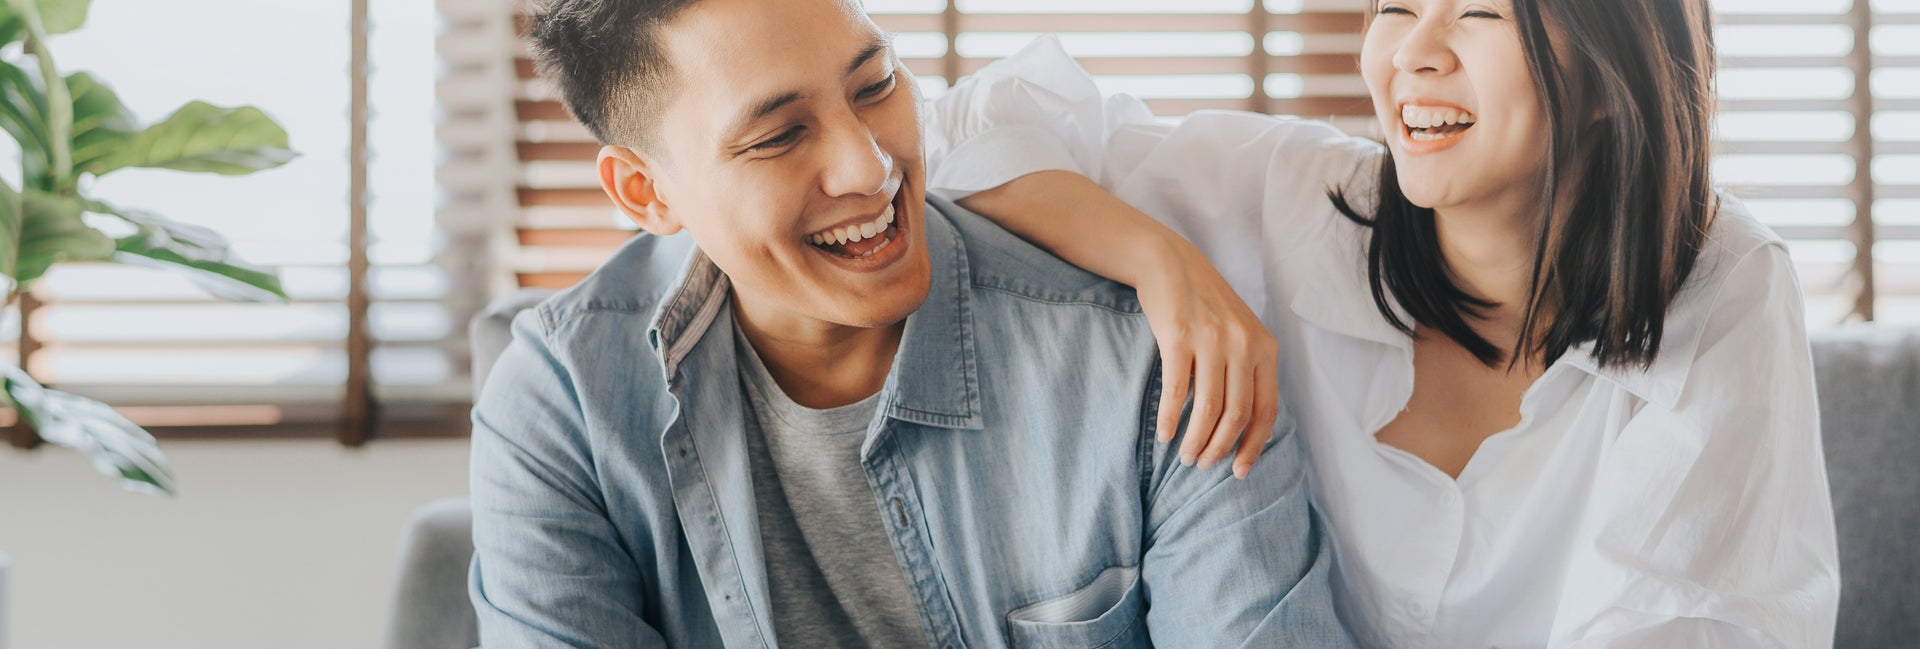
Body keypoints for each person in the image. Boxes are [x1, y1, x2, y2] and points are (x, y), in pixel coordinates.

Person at [921, 0, 1841, 646]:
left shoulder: (1726, 286)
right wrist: (1162, 263)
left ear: (1610, 72)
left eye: (1482, 13)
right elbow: (961, 123)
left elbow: (1681, 621)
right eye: (1396, 5)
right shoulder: (1293, 199)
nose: (1414, 53)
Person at [466, 0, 1355, 646]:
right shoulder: (562, 403)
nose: (869, 164)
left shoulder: (1159, 370)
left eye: (875, 85)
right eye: (778, 137)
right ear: (646, 191)